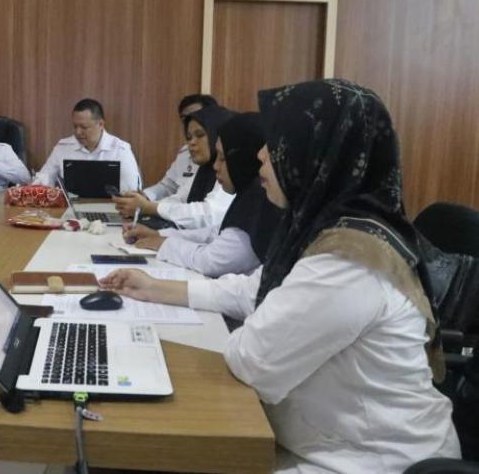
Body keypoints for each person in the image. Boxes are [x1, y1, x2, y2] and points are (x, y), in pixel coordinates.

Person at [101, 79, 460, 471]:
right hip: (325, 441)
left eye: (276, 143)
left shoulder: (348, 261)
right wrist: (155, 288)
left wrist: (250, 320)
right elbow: (253, 290)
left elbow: (251, 360)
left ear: (316, 153)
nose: (260, 154)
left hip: (369, 462)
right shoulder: (327, 227)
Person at [124, 111, 281, 277]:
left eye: (223, 158)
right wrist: (159, 234)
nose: (215, 166)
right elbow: (216, 232)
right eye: (189, 137)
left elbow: (213, 261)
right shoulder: (245, 190)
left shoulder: (259, 198)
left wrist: (163, 242)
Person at [112, 94, 234, 229]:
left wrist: (149, 208)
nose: (192, 143)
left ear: (216, 133)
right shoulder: (204, 168)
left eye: (200, 135)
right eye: (189, 137)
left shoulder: (232, 169)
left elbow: (208, 215)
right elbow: (180, 198)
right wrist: (141, 205)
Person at [32, 98, 141, 192]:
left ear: (101, 124)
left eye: (84, 127)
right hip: (72, 206)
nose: (78, 132)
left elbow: (131, 189)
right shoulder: (63, 148)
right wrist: (37, 186)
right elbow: (44, 178)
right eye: (75, 126)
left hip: (111, 206)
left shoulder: (120, 150)